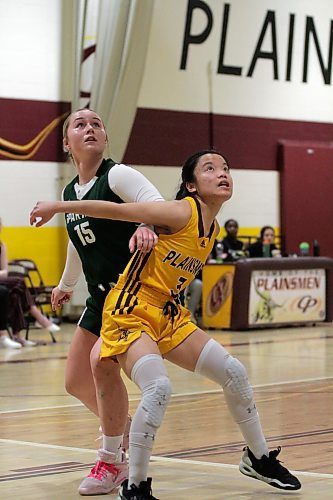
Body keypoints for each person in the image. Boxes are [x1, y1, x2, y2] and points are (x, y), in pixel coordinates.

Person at [31, 149, 301, 499]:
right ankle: (136, 485)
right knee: (158, 388)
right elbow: (118, 210)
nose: (222, 173)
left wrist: (147, 227)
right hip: (129, 309)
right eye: (210, 168)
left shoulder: (213, 226)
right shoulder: (181, 211)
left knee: (234, 373)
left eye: (226, 168)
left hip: (167, 313)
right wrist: (58, 207)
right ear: (190, 185)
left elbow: (147, 222)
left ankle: (258, 457)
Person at [42, 108, 163, 495]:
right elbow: (79, 243)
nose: (89, 128)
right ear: (67, 143)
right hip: (99, 297)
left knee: (103, 372)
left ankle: (113, 458)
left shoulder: (118, 175)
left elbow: (160, 208)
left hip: (132, 296)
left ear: (105, 139)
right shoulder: (68, 194)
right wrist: (66, 284)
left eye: (96, 123)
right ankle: (126, 431)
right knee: (75, 381)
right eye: (80, 124)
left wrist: (146, 224)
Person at [0, 218, 59, 347]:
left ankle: (17, 337)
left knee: (16, 295)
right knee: (19, 281)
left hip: (1, 281)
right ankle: (38, 316)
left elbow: (5, 271)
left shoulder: (1, 245)